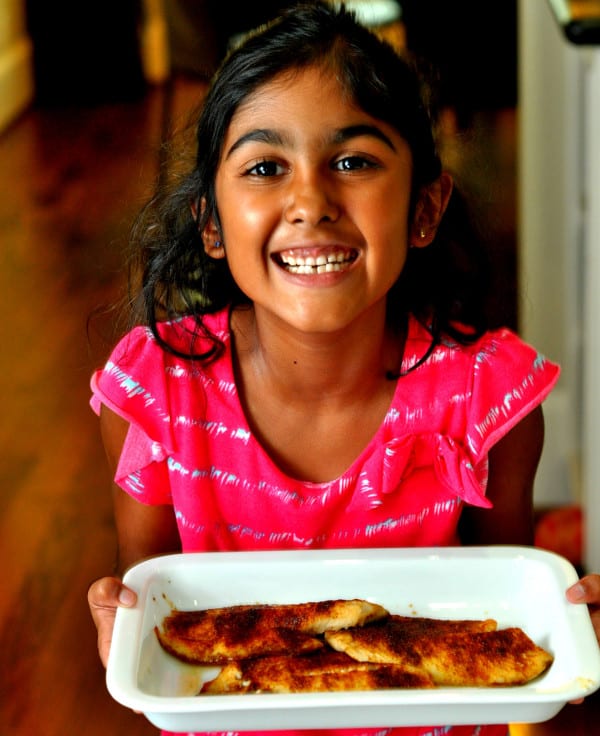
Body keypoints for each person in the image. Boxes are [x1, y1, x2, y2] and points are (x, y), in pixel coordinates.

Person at [87, 2, 600, 735]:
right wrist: (118, 618)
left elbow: (508, 616)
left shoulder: (489, 400)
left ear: (424, 210)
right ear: (211, 223)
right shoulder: (155, 396)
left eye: (353, 161)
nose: (309, 202)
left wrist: (567, 629)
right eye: (266, 167)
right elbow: (154, 607)